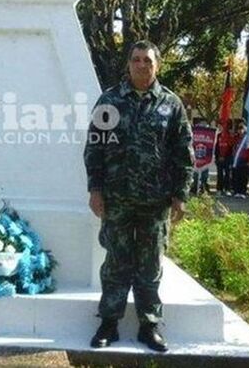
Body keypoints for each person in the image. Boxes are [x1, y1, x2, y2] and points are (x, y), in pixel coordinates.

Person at [84, 40, 193, 352]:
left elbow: (182, 153)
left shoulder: (171, 104)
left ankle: (149, 326)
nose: (142, 65)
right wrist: (95, 189)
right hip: (117, 198)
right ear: (128, 64)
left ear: (157, 65)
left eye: (148, 60)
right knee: (116, 262)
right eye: (136, 59)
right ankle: (109, 323)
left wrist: (180, 195)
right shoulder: (110, 100)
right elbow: (95, 148)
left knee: (149, 264)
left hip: (154, 200)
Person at [215, 122, 235, 195]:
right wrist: (218, 156)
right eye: (219, 126)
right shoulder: (217, 136)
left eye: (221, 126)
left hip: (227, 158)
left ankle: (227, 189)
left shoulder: (230, 136)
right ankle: (219, 189)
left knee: (227, 174)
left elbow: (230, 148)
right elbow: (216, 147)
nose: (219, 127)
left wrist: (224, 156)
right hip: (219, 158)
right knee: (219, 174)